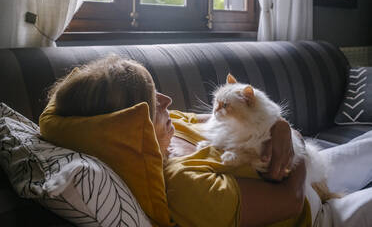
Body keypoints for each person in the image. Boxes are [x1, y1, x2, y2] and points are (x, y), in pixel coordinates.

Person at [40, 55, 372, 227]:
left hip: (312, 169)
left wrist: (284, 129)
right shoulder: (184, 187)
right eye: (152, 102)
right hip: (317, 216)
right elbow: (289, 201)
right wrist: (293, 149)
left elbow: (256, 121)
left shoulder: (176, 126)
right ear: (126, 126)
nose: (168, 99)